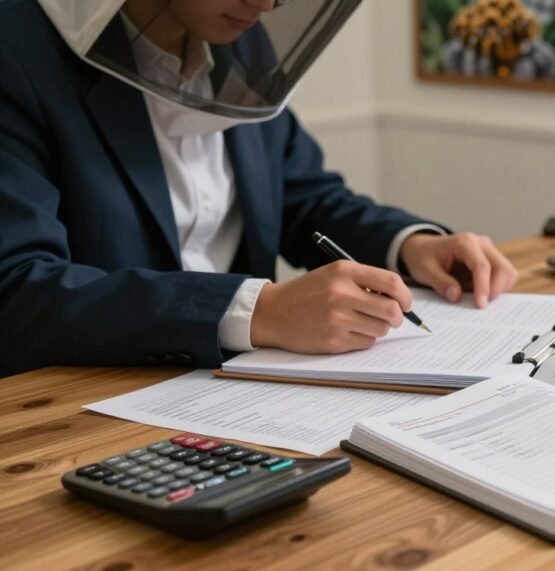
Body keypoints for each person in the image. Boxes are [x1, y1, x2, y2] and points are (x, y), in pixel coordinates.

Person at [0, 0, 518, 375]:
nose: (268, 3)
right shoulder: (16, 51)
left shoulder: (238, 38)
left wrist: (410, 243)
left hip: (245, 395)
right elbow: (18, 291)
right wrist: (261, 311)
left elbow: (302, 198)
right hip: (82, 411)